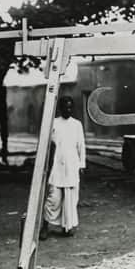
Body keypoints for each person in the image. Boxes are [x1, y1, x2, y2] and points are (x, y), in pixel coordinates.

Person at [41, 96, 86, 239]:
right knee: (53, 199)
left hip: (72, 166)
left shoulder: (77, 124)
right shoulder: (53, 123)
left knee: (70, 199)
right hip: (57, 167)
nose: (68, 110)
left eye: (70, 107)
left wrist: (82, 164)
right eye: (65, 107)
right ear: (60, 108)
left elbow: (81, 145)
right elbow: (47, 145)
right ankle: (45, 226)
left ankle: (67, 227)